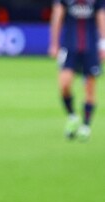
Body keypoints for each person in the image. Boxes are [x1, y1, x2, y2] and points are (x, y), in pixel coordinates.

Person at [48, 0, 105, 141]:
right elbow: (57, 16)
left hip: (90, 48)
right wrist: (54, 43)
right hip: (69, 47)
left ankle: (86, 126)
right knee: (64, 85)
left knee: (89, 88)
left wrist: (103, 44)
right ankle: (72, 116)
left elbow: (101, 18)